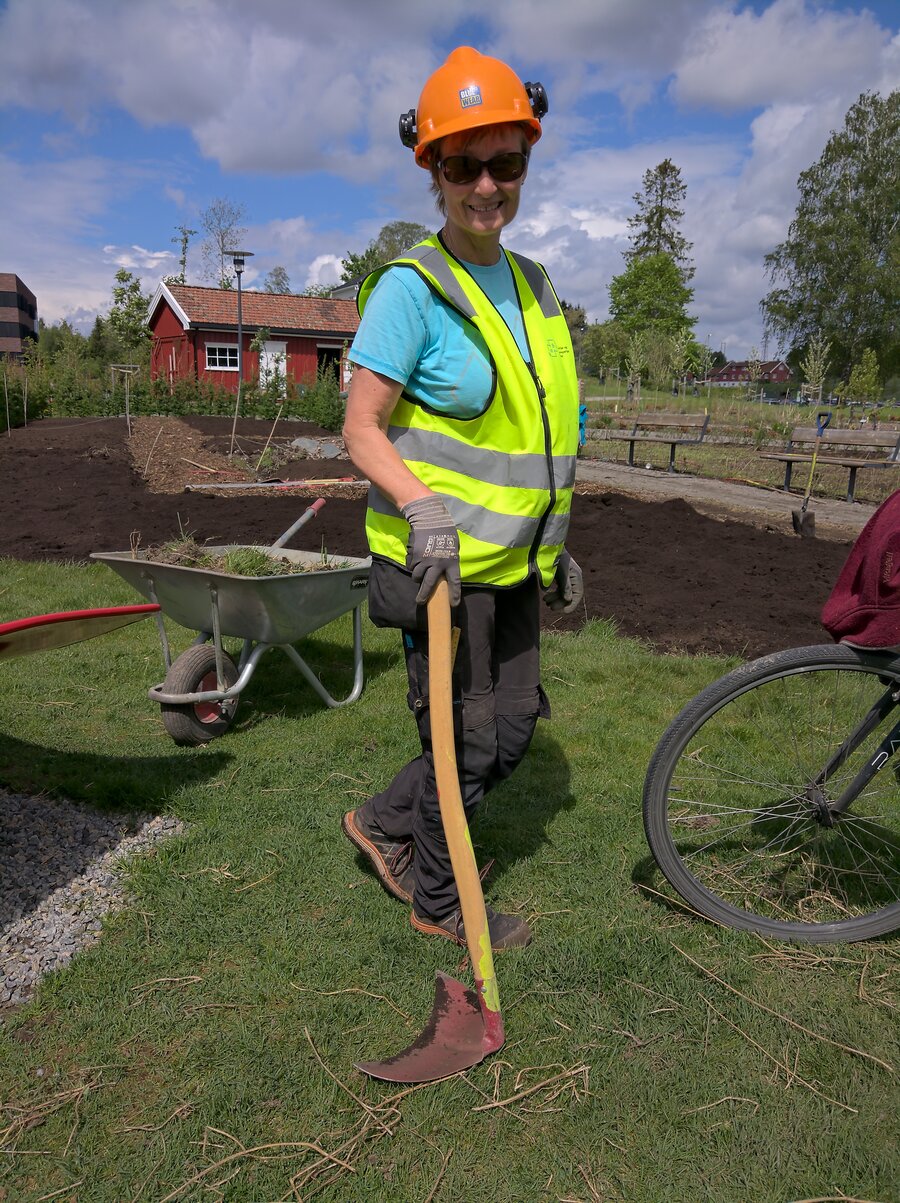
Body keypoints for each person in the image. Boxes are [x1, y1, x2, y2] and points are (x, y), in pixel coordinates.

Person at [340, 46, 582, 951]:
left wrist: (553, 542)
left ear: (526, 159)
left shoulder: (534, 285)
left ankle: (379, 818)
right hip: (442, 567)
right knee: (467, 742)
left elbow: (539, 431)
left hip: (513, 563)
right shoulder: (413, 290)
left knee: (510, 731)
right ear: (433, 171)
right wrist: (419, 506)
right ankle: (440, 898)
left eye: (505, 162)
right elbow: (361, 427)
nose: (487, 184)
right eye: (463, 164)